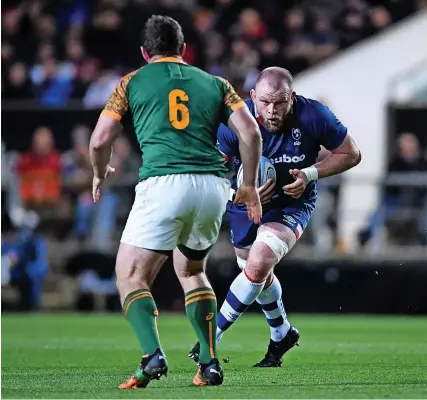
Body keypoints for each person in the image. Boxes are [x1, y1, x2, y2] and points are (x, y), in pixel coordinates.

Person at [88, 15, 262, 389]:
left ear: (144, 52)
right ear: (183, 50)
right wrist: (246, 185)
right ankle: (210, 363)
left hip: (165, 182)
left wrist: (100, 172)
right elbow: (250, 132)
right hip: (214, 185)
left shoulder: (131, 82)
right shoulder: (216, 83)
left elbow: (100, 140)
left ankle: (152, 355)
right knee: (191, 270)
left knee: (130, 275)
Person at [189, 67, 361, 367]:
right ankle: (282, 332)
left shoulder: (314, 115)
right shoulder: (233, 121)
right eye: (265, 102)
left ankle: (211, 336)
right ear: (252, 97)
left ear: (292, 98)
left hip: (292, 205)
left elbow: (352, 153)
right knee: (255, 273)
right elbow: (208, 169)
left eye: (280, 102)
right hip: (244, 204)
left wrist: (310, 174)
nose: (272, 111)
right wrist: (239, 193)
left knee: (258, 262)